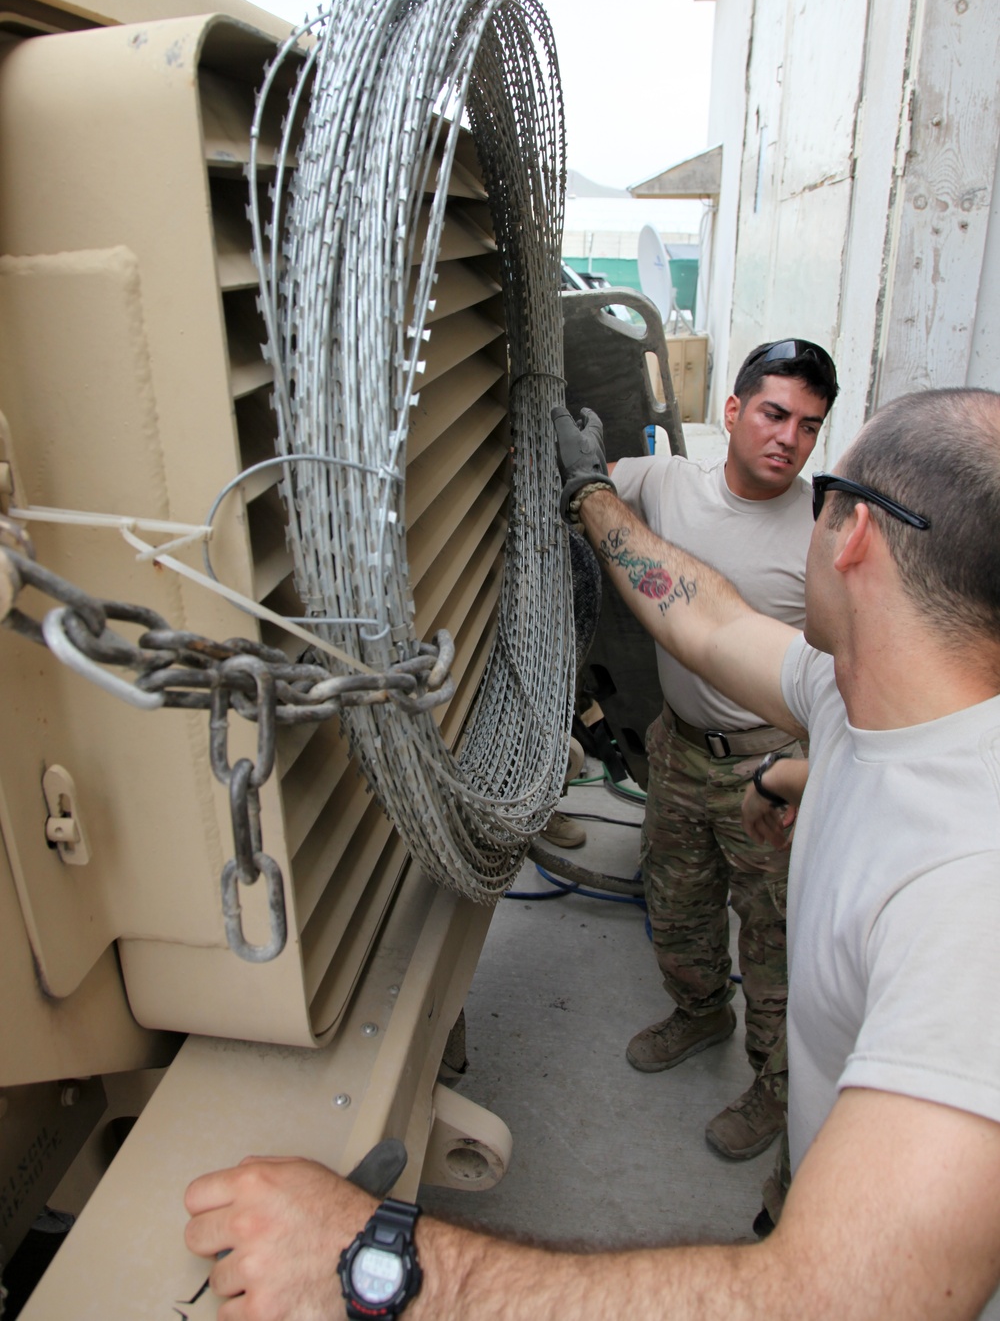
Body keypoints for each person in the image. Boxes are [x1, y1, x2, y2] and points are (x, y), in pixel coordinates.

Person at [184, 387, 1000, 1320]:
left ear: (852, 534)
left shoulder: (974, 894)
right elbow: (710, 620)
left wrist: (383, 1264)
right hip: (821, 1173)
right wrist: (589, 494)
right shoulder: (863, 690)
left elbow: (843, 1298)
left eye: (824, 493)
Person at [612, 338, 837, 1188]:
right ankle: (699, 1012)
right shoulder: (669, 485)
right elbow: (590, 483)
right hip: (678, 748)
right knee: (676, 903)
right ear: (735, 412)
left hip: (768, 767)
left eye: (809, 426)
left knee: (776, 938)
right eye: (775, 414)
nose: (789, 438)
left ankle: (776, 1088)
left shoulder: (825, 525)